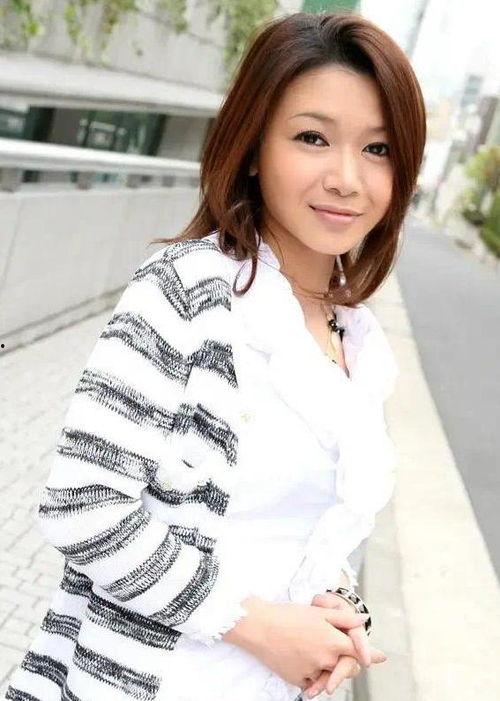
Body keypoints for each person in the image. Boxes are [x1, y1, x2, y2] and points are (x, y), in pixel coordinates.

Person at [5, 9, 426, 701]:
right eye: (313, 137)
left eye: (378, 148)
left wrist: (339, 610)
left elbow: (305, 529)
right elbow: (84, 506)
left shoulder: (356, 340)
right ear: (254, 146)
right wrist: (256, 627)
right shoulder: (187, 293)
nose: (347, 178)